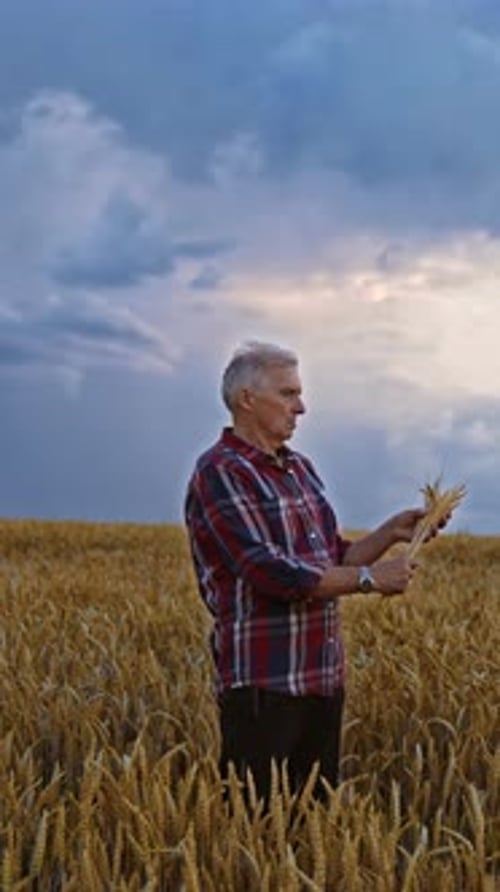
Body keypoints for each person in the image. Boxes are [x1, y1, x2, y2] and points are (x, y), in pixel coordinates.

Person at [184, 341, 442, 804]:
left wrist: (392, 531)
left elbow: (333, 559)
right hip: (264, 686)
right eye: (288, 393)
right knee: (254, 833)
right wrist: (370, 581)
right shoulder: (220, 472)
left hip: (322, 682)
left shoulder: (300, 469)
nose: (301, 407)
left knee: (312, 830)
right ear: (247, 399)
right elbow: (271, 573)